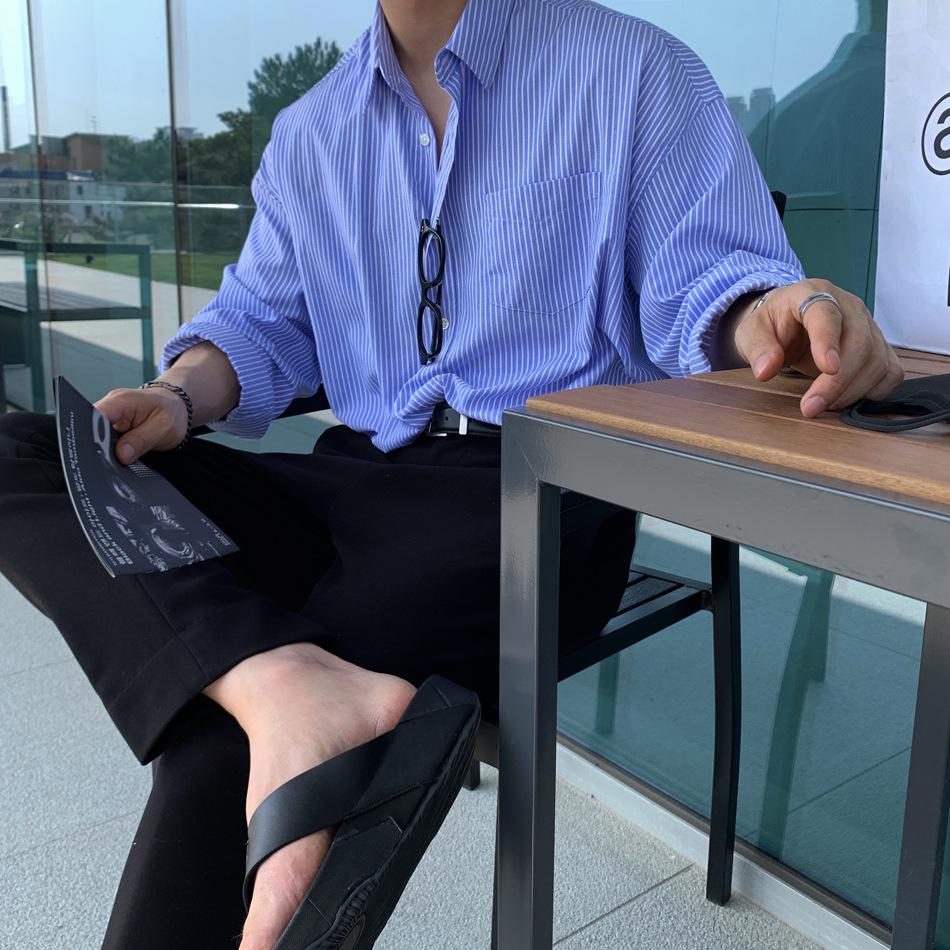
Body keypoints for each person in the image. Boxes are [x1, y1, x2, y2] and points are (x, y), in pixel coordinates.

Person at [0, 1, 903, 948]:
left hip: (534, 488)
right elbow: (260, 323)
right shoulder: (313, 129)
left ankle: (275, 687)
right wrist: (176, 396)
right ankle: (276, 678)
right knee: (30, 455)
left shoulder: (630, 69)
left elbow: (715, 283)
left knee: (220, 741)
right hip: (355, 473)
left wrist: (781, 312)